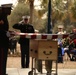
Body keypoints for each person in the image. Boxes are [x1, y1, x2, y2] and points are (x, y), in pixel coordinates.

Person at [0, 3, 12, 75]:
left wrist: (9, 32)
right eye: (9, 9)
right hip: (1, 42)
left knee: (4, 59)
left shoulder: (4, 17)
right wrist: (6, 33)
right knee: (1, 60)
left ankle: (3, 72)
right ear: (5, 10)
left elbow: (4, 28)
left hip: (4, 42)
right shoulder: (1, 16)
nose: (10, 11)